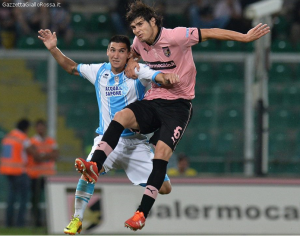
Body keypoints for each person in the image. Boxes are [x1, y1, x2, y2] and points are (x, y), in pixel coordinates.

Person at [76, 1, 270, 231]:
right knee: (121, 117)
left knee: (161, 156)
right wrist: (131, 61)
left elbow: (211, 32)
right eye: (134, 27)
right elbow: (132, 54)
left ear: (153, 22)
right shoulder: (138, 42)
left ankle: (141, 214)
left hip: (178, 107)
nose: (137, 31)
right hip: (154, 99)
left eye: (140, 25)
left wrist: (244, 37)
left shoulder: (177, 36)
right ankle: (94, 165)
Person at [37, 29, 178, 234]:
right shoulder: (99, 71)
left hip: (135, 143)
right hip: (107, 141)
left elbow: (157, 74)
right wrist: (53, 48)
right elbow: (71, 67)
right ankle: (77, 219)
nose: (116, 55)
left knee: (165, 188)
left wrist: (160, 72)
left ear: (129, 54)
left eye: (121, 51)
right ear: (107, 52)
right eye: (112, 50)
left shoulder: (137, 71)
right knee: (88, 173)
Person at [0, 119, 50, 227]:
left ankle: (9, 223)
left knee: (11, 197)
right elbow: (32, 153)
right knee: (24, 198)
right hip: (19, 171)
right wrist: (43, 156)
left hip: (7, 171)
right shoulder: (23, 138)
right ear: (26, 128)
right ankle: (20, 223)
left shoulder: (8, 137)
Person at [27, 119, 59, 227]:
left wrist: (42, 155)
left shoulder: (51, 141)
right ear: (36, 128)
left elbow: (56, 155)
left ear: (45, 128)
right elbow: (36, 158)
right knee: (36, 200)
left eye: (42, 127)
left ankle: (51, 222)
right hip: (35, 175)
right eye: (39, 127)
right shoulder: (32, 141)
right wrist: (48, 155)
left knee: (50, 199)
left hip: (49, 175)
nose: (41, 129)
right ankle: (37, 223)